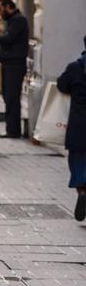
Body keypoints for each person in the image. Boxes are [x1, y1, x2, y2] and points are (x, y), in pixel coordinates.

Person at [0, 0, 30, 138]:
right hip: (8, 64)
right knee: (8, 97)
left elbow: (8, 39)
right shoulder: (9, 21)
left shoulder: (18, 20)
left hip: (15, 65)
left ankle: (13, 131)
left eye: (0, 8)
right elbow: (3, 42)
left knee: (12, 98)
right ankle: (11, 129)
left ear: (8, 6)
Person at [54, 37, 86, 221]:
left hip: (79, 127)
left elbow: (61, 84)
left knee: (79, 164)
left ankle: (82, 192)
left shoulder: (75, 68)